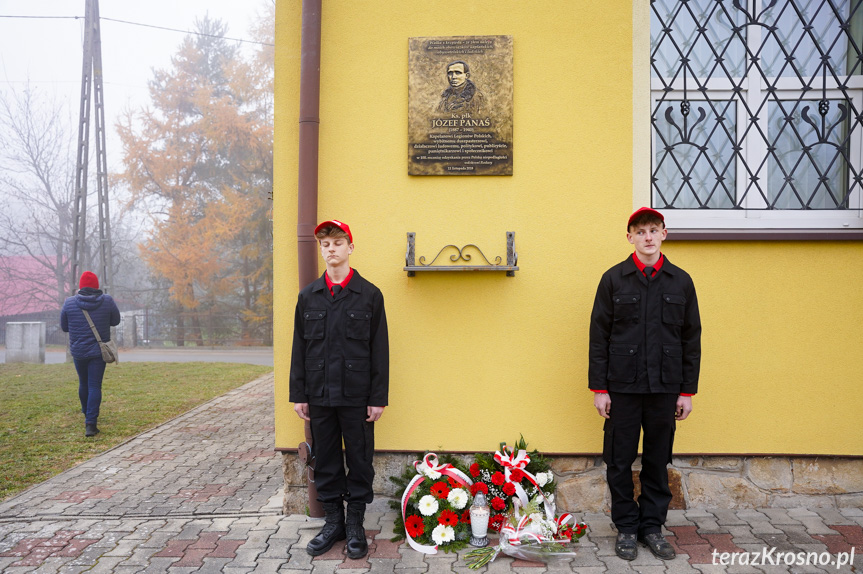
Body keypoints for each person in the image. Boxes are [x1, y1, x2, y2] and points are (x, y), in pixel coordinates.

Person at [588, 207, 701, 562]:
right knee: (619, 461)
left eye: (654, 230)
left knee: (656, 460)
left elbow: (691, 338)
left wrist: (687, 391)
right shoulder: (613, 280)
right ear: (630, 237)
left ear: (664, 234)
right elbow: (598, 337)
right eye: (640, 231)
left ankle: (651, 527)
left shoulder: (680, 281)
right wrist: (599, 389)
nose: (648, 237)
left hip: (664, 388)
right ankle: (625, 527)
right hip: (621, 387)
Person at [289, 220, 389, 560]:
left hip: (357, 396)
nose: (330, 249)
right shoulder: (308, 296)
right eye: (325, 244)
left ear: (350, 247)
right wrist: (299, 393)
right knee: (327, 460)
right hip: (319, 394)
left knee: (360, 460)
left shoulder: (370, 295)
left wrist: (378, 398)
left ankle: (357, 524)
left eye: (337, 242)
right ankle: (334, 523)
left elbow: (380, 350)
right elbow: (299, 349)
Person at [60, 271, 121, 437]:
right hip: (98, 351)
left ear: (80, 286)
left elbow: (64, 327)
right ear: (96, 286)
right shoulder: (107, 301)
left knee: (83, 383)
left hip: (78, 351)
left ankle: (87, 413)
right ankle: (91, 424)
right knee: (95, 385)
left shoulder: (69, 302)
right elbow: (115, 321)